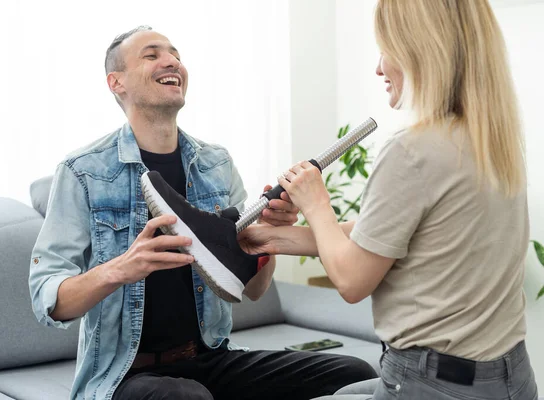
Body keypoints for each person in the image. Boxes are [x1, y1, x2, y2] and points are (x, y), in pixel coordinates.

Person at [28, 25, 377, 400]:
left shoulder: (215, 163)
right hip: (124, 376)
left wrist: (268, 239)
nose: (171, 61)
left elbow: (255, 290)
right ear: (117, 83)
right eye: (152, 55)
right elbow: (49, 299)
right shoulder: (83, 171)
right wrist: (120, 269)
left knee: (353, 374)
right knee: (187, 397)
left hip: (211, 360)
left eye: (175, 54)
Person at [238, 1, 539, 399]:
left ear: (421, 49)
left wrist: (316, 201)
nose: (379, 67)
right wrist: (272, 239)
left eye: (386, 49)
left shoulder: (412, 150)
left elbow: (351, 281)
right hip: (510, 379)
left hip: (433, 384)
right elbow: (379, 236)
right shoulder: (492, 140)